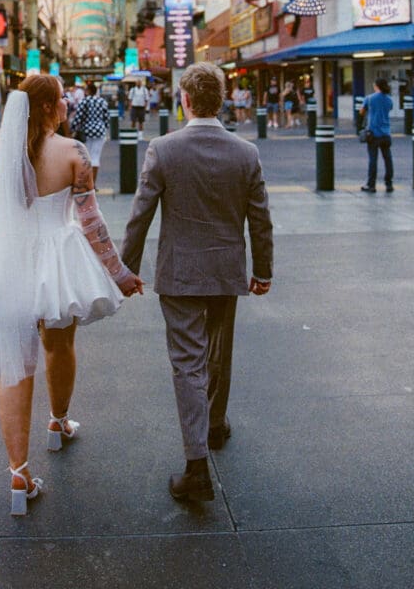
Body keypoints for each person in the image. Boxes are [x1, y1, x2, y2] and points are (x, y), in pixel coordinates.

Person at [0, 74, 143, 515]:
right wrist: (120, 274)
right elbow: (92, 225)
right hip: (58, 261)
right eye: (64, 101)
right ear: (53, 107)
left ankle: (19, 473)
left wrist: (11, 200)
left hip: (10, 259)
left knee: (15, 364)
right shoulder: (74, 154)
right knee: (61, 343)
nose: (68, 107)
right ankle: (58, 423)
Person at [121, 62, 274, 503]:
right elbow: (260, 220)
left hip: (180, 272)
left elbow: (141, 214)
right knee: (218, 351)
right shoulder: (246, 153)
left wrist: (127, 269)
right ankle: (215, 425)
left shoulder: (163, 149)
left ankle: (195, 465)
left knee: (187, 361)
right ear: (222, 101)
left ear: (185, 100)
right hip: (227, 270)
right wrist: (262, 270)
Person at [71, 80, 110, 187]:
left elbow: (78, 118)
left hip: (87, 132)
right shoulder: (102, 101)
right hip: (100, 132)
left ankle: (87, 183)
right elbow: (107, 118)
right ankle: (93, 184)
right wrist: (104, 128)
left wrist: (72, 129)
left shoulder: (84, 102)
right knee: (96, 157)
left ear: (88, 91)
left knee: (86, 158)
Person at [359, 77, 394, 193]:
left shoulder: (369, 98)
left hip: (373, 134)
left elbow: (361, 112)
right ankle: (389, 184)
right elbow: (389, 109)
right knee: (387, 159)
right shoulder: (389, 100)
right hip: (386, 133)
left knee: (373, 160)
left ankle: (371, 185)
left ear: (376, 86)